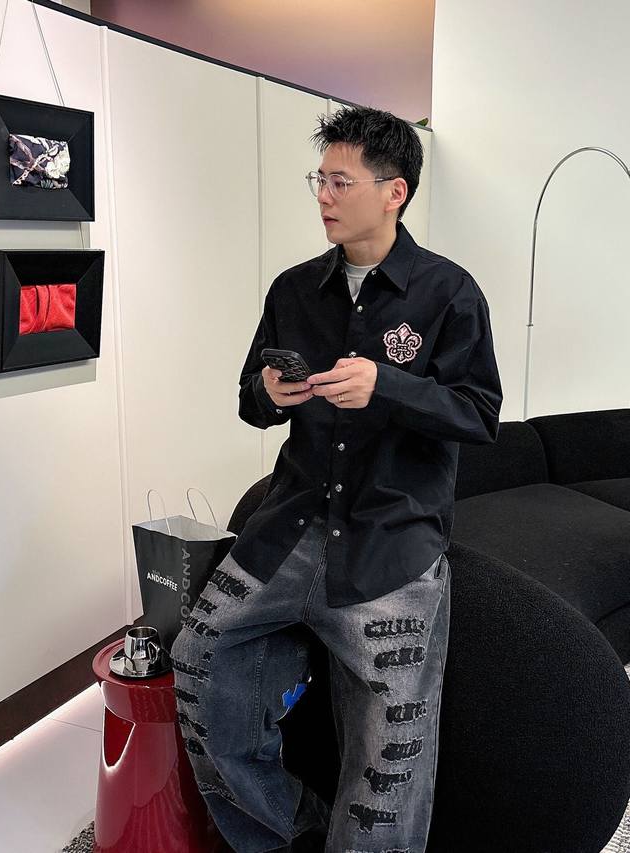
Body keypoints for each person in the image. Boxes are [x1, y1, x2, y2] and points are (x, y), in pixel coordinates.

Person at [170, 105, 503, 853]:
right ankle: (292, 829)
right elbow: (251, 402)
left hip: (392, 542)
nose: (323, 194)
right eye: (319, 178)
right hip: (288, 530)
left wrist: (388, 387)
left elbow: (479, 414)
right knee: (195, 663)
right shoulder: (292, 290)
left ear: (394, 192)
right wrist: (268, 393)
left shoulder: (450, 294)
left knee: (391, 759)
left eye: (341, 181)